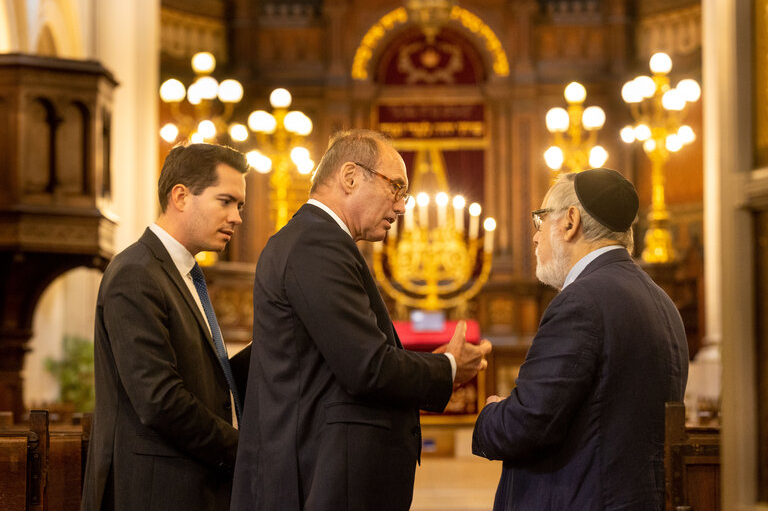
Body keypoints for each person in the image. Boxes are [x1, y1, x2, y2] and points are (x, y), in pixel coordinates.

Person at [230, 129, 492, 511]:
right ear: (350, 177)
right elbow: (366, 367)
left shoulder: (317, 241)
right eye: (396, 188)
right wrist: (448, 367)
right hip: (325, 475)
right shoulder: (316, 243)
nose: (402, 206)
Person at [472, 168, 689, 510]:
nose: (535, 236)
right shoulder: (659, 298)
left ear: (570, 221)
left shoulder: (581, 301)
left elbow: (528, 423)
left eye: (540, 219)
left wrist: (491, 414)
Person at [81, 143, 252, 511]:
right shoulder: (137, 273)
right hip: (155, 492)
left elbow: (207, 379)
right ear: (180, 196)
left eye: (239, 205)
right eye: (226, 201)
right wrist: (247, 452)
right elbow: (159, 401)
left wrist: (276, 342)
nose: (237, 217)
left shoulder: (183, 272)